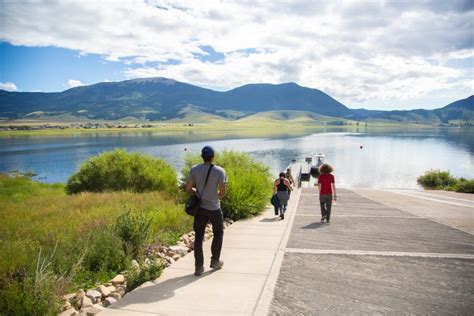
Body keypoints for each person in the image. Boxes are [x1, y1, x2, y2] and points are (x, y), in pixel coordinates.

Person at [185, 146, 226, 276]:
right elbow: (222, 193)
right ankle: (215, 261)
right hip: (214, 208)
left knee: (198, 236)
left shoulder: (194, 169)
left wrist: (197, 191)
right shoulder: (220, 171)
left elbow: (188, 188)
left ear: (202, 156)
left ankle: (198, 267)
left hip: (200, 208)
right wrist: (214, 196)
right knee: (218, 233)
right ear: (213, 156)